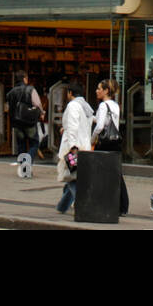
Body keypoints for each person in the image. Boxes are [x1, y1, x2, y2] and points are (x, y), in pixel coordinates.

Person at [56, 80, 94, 214]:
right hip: (84, 145)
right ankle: (62, 206)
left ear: (70, 93)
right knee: (73, 176)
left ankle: (82, 203)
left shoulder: (73, 106)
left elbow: (73, 126)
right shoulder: (86, 106)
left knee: (72, 178)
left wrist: (72, 147)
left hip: (73, 147)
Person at [92, 79, 129, 215]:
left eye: (99, 88)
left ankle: (101, 202)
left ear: (106, 91)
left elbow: (101, 126)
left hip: (104, 143)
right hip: (115, 142)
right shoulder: (115, 105)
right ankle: (123, 205)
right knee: (116, 174)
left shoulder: (103, 106)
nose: (97, 91)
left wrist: (92, 139)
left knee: (99, 173)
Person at [7, 70, 44, 178]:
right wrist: (42, 113)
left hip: (17, 122)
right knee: (34, 143)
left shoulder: (11, 92)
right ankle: (28, 161)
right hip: (29, 121)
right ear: (24, 78)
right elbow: (37, 103)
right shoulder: (30, 89)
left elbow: (9, 106)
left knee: (21, 144)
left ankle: (24, 168)